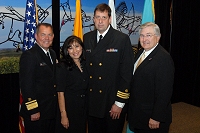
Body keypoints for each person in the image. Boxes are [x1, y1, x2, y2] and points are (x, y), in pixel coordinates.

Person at [83, 3, 134, 133]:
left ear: (110, 19)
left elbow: (127, 74)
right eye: (97, 17)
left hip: (112, 102)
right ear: (93, 19)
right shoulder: (87, 38)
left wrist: (119, 103)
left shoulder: (121, 39)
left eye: (104, 17)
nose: (100, 21)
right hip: (93, 101)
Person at [127, 22, 175, 133]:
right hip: (139, 114)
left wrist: (156, 117)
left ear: (158, 37)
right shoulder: (140, 53)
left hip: (152, 118)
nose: (144, 39)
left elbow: (165, 92)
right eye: (142, 36)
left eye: (148, 35)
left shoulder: (163, 59)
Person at [19, 23, 57, 133]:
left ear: (53, 36)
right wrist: (33, 109)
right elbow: (26, 86)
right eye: (43, 34)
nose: (47, 38)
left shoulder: (53, 54)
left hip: (50, 110)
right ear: (36, 36)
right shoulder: (30, 56)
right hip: (37, 112)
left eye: (50, 35)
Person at [55, 35, 88, 133]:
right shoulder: (62, 66)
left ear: (82, 47)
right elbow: (60, 93)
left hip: (83, 108)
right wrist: (63, 115)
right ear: (67, 51)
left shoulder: (85, 64)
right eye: (70, 48)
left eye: (77, 46)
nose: (75, 50)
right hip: (69, 108)